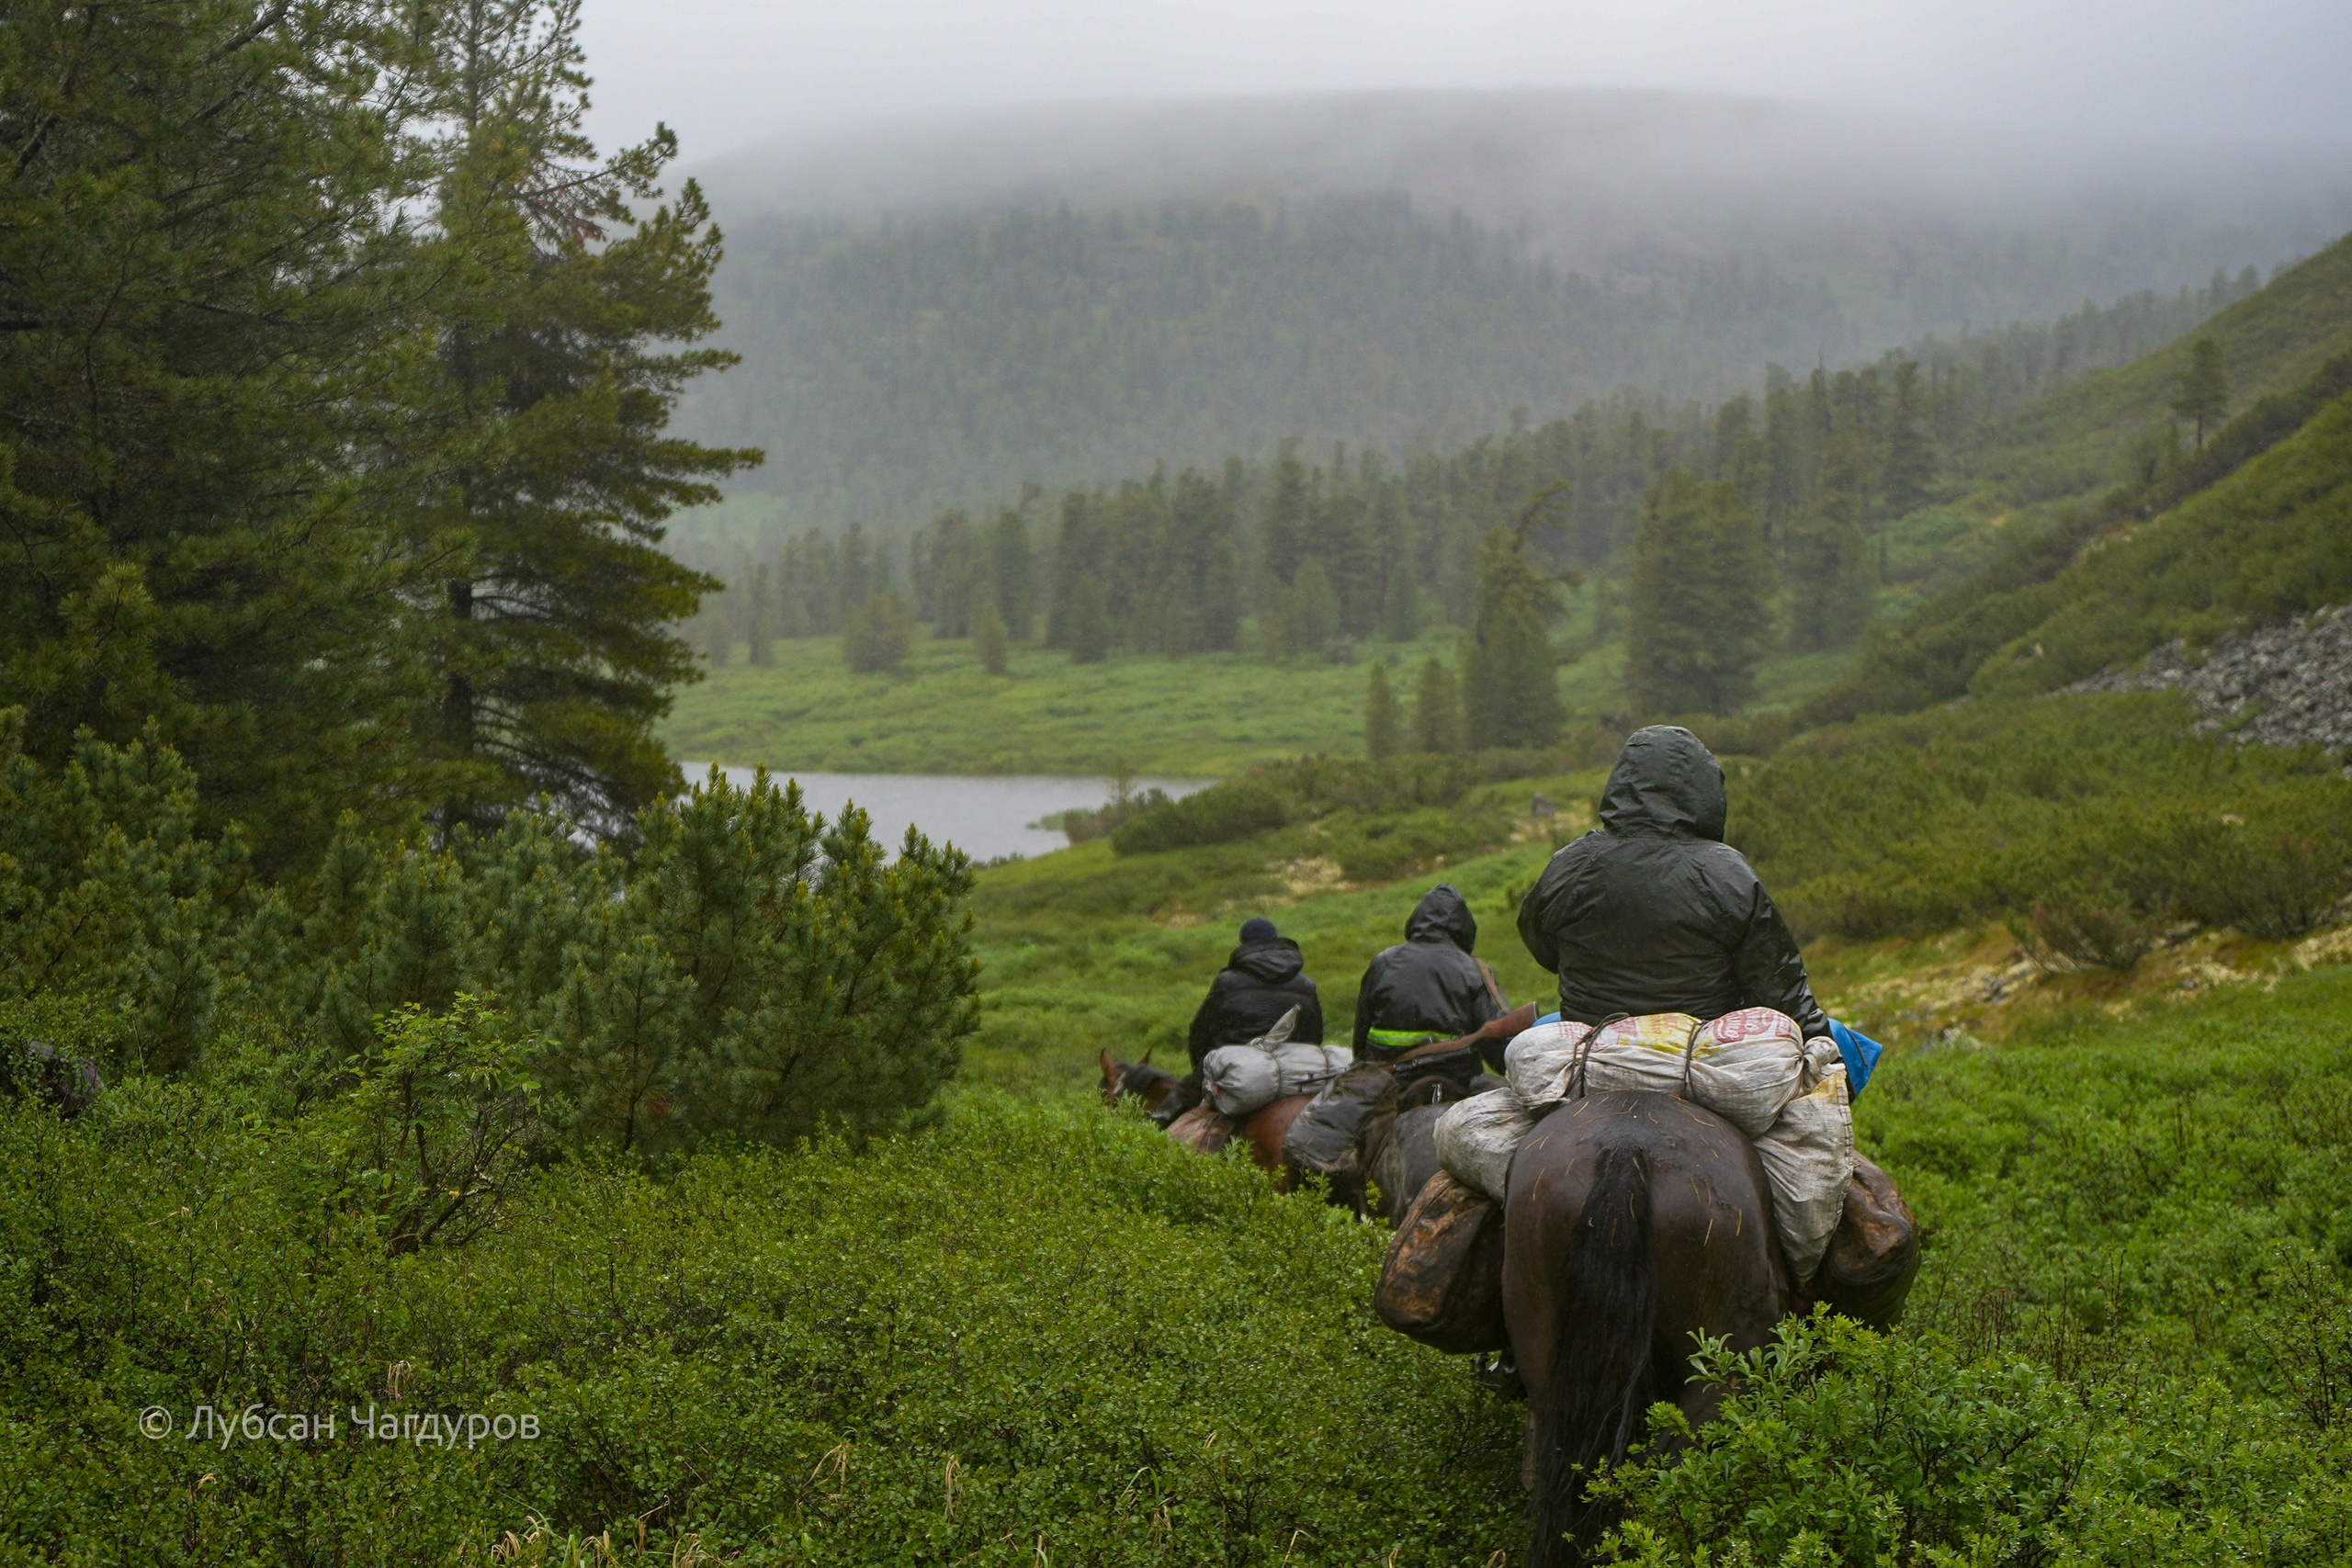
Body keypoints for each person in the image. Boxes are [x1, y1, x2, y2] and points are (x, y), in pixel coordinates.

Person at [1517, 724, 1873, 1096]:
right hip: (1705, 1049)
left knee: (1535, 1032)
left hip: (1591, 1037)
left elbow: (1541, 947)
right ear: (1703, 790)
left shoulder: (1569, 863)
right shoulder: (1727, 871)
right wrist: (1827, 1053)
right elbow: (1780, 989)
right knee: (1857, 1047)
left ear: (1621, 783)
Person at [1352, 885, 1511, 1068]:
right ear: (1465, 927)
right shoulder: (1474, 970)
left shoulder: (1384, 962)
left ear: (1417, 919)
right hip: (1456, 1084)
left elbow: (1360, 1044)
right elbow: (1501, 1052)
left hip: (1386, 1084)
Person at [1186, 916, 1325, 1066]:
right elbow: (1314, 1036)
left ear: (1241, 945)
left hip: (1236, 1073)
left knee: (1180, 1090)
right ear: (1275, 941)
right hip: (1293, 1074)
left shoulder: (1227, 982)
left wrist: (1204, 1071)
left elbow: (1201, 1032)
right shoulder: (1306, 985)